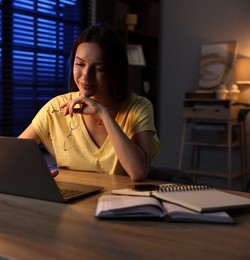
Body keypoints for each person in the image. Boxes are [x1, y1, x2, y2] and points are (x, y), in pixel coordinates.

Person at [19, 24, 160, 181]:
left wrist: (103, 114)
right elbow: (11, 158)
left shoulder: (138, 107)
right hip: (71, 201)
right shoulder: (56, 108)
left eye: (99, 68)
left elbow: (139, 172)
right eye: (80, 64)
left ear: (115, 70)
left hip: (117, 201)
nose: (86, 76)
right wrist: (35, 173)